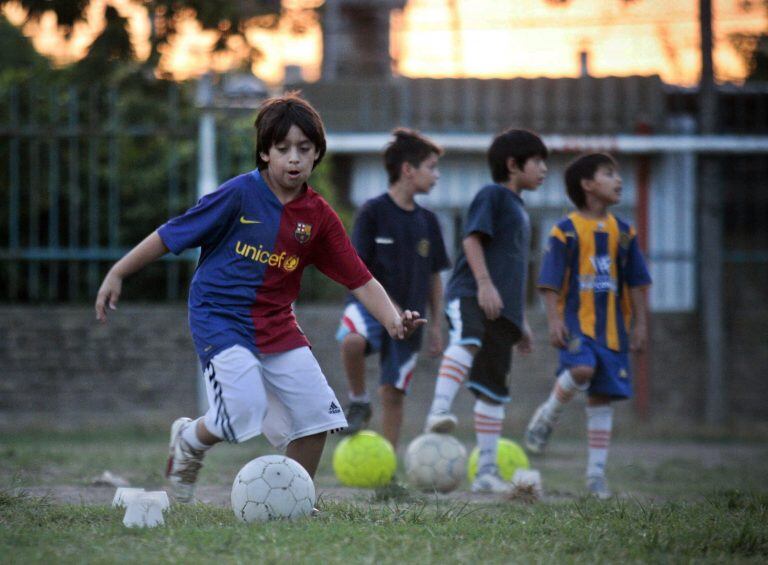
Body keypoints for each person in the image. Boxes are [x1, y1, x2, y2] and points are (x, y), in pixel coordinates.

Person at [94, 92, 424, 503]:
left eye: (304, 149)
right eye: (282, 148)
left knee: (316, 417)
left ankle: (293, 504)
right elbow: (171, 235)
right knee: (242, 411)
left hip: (277, 323)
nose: (294, 158)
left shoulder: (318, 217)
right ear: (265, 153)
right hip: (220, 316)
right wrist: (119, 271)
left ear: (317, 153)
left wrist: (393, 320)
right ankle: (190, 438)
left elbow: (360, 278)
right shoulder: (237, 195)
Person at [424, 128, 548, 494]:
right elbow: (472, 239)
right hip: (471, 294)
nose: (544, 169)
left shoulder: (522, 210)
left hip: (503, 314)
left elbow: (512, 271)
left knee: (494, 391)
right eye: (538, 162)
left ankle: (486, 474)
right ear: (513, 164)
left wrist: (520, 320)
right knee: (468, 338)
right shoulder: (492, 195)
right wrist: (483, 284)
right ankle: (438, 411)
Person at [523, 152, 652, 499]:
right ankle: (548, 413)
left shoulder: (624, 233)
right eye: (609, 173)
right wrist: (552, 320)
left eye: (618, 174)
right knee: (581, 370)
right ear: (587, 184)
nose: (618, 179)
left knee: (601, 398)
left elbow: (638, 282)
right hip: (576, 325)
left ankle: (596, 476)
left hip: (614, 330)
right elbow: (549, 281)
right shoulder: (564, 231)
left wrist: (640, 324)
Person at [336, 128, 450, 447]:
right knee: (352, 343)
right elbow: (354, 267)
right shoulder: (373, 212)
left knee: (393, 392)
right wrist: (388, 311)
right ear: (408, 170)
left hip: (411, 321)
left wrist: (437, 325)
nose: (437, 176)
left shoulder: (429, 221)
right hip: (367, 308)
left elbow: (434, 277)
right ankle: (358, 400)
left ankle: (386, 464)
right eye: (432, 167)